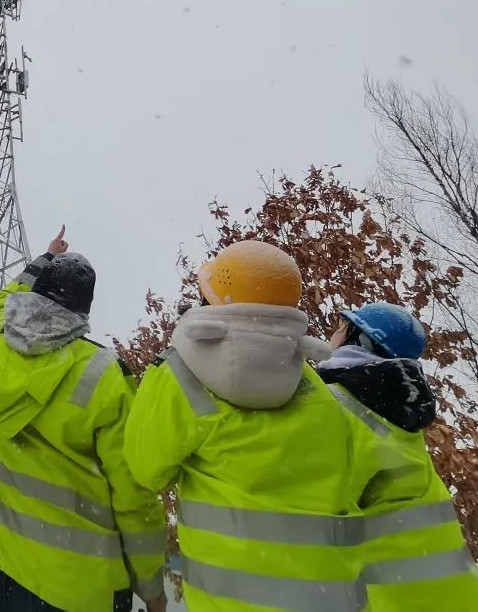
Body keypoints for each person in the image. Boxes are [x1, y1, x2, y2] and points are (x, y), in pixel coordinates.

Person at [124, 240, 368, 611]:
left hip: (228, 599)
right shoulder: (311, 384)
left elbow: (144, 469)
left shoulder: (176, 374)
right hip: (328, 595)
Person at [0, 226, 167, 612]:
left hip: (5, 562)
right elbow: (133, 495)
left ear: (37, 292)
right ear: (84, 309)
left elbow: (4, 301)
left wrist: (44, 259)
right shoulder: (103, 374)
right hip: (79, 586)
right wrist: (152, 588)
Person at [319, 303, 478, 611]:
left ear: (361, 340)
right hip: (456, 598)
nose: (331, 334)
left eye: (341, 327)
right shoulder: (395, 415)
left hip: (397, 601)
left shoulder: (336, 407)